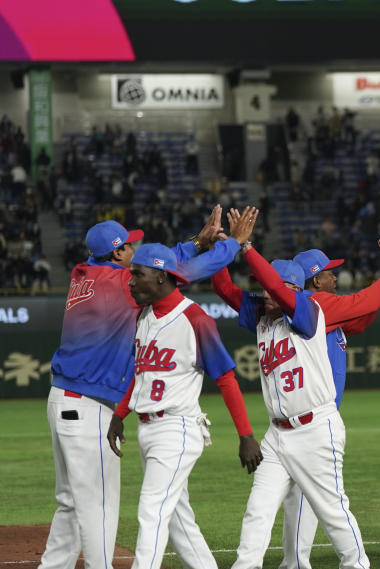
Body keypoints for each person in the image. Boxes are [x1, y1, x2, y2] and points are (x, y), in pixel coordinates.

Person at [38, 206, 240, 569]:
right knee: (99, 507)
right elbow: (179, 271)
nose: (135, 253)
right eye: (129, 247)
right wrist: (232, 245)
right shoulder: (123, 285)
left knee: (70, 502)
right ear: (117, 254)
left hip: (63, 401)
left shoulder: (84, 274)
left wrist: (197, 241)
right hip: (88, 406)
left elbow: (165, 264)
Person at [211, 209, 380, 569]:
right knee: (257, 511)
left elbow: (279, 288)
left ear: (297, 290)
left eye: (280, 288)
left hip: (315, 428)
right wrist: (220, 248)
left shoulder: (307, 310)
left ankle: (357, 565)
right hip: (277, 434)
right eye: (267, 287)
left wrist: (246, 247)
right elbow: (223, 288)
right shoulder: (263, 315)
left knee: (333, 512)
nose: (269, 293)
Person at [105, 243, 262, 569]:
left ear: (162, 275)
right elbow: (140, 374)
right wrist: (120, 414)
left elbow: (226, 379)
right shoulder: (145, 315)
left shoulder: (195, 319)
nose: (131, 281)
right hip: (148, 428)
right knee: (177, 519)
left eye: (138, 273)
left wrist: (245, 435)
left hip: (176, 428)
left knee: (152, 509)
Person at [278, 245, 380, 569]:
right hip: (314, 421)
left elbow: (363, 316)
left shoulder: (323, 310)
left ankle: (296, 563)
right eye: (328, 272)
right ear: (314, 281)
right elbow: (365, 302)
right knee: (324, 498)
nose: (335, 277)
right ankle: (351, 563)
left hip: (313, 420)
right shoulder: (316, 304)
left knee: (305, 497)